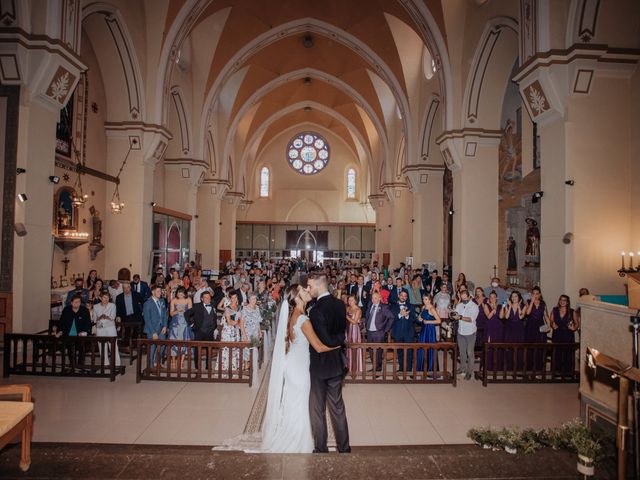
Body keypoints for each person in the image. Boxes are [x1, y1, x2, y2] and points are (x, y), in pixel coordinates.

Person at [261, 284, 342, 453]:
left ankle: (291, 434)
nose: (307, 290)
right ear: (297, 297)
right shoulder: (303, 320)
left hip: (293, 365)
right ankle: (297, 441)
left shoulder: (294, 315)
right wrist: (338, 345)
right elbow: (319, 347)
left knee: (294, 403)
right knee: (301, 405)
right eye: (303, 290)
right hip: (300, 369)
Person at [306, 273, 351, 454]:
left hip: (320, 365)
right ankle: (344, 448)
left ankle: (321, 448)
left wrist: (338, 340)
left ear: (319, 285)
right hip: (336, 364)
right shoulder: (340, 304)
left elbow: (326, 340)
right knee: (337, 407)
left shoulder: (316, 310)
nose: (309, 289)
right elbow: (341, 332)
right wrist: (341, 339)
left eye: (310, 286)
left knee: (317, 409)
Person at [57, 294, 92, 368]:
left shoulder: (84, 310)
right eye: (75, 302)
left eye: (79, 302)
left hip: (81, 334)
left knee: (82, 346)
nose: (77, 303)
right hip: (69, 333)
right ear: (71, 303)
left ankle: (80, 364)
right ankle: (73, 364)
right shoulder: (67, 310)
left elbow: (87, 323)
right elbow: (61, 322)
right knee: (70, 347)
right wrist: (60, 331)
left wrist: (85, 332)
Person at [364, 291, 394, 371]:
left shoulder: (384, 307)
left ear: (379, 298)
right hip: (370, 332)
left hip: (379, 332)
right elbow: (367, 316)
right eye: (372, 298)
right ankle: (374, 366)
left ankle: (378, 368)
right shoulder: (370, 305)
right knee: (370, 350)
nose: (373, 300)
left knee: (378, 351)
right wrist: (366, 325)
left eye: (375, 298)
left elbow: (391, 317)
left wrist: (385, 329)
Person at [453, 289, 479, 380]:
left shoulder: (474, 306)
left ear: (469, 296)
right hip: (461, 331)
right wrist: (452, 315)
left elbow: (471, 319)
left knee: (469, 352)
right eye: (462, 298)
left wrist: (460, 317)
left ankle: (469, 372)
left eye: (465, 298)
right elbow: (455, 314)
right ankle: (462, 368)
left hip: (470, 332)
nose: (464, 300)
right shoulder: (460, 305)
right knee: (462, 352)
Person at [551, 295, 579, 375]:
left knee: (568, 354)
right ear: (559, 301)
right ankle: (556, 372)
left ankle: (568, 373)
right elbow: (551, 320)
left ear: (567, 302)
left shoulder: (572, 311)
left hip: (568, 335)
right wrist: (552, 324)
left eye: (564, 300)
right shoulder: (554, 310)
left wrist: (574, 328)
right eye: (561, 300)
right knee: (557, 353)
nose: (562, 301)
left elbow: (577, 324)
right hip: (557, 334)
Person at [390, 290, 417, 373]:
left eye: (405, 296)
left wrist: (407, 316)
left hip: (408, 332)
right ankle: (401, 368)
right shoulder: (393, 306)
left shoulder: (411, 306)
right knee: (400, 352)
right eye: (402, 295)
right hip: (397, 332)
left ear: (407, 297)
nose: (403, 297)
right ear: (399, 296)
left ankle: (408, 369)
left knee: (409, 352)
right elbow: (391, 319)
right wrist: (400, 315)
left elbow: (414, 319)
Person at [91, 291, 121, 366]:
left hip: (110, 327)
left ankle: (116, 363)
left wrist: (106, 316)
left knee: (113, 346)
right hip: (100, 328)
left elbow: (113, 317)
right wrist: (100, 317)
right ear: (101, 298)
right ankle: (105, 363)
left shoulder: (112, 305)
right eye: (104, 297)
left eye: (107, 298)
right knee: (102, 346)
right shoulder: (96, 306)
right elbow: (94, 319)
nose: (106, 299)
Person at [143, 285, 169, 368]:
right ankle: (150, 367)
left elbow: (165, 314)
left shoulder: (162, 301)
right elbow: (147, 319)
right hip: (152, 329)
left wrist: (165, 326)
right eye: (158, 291)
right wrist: (153, 332)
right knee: (152, 349)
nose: (160, 293)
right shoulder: (147, 303)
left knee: (162, 346)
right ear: (152, 292)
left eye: (160, 291)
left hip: (162, 329)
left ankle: (156, 363)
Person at [220, 292, 246, 373]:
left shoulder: (240, 307)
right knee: (227, 349)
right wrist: (238, 323)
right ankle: (225, 369)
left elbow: (242, 319)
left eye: (235, 297)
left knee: (236, 349)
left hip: (236, 331)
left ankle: (235, 368)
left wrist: (241, 327)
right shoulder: (227, 308)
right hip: (228, 331)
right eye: (232, 298)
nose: (234, 299)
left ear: (237, 298)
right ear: (230, 298)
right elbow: (228, 321)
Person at [524, 286, 548, 370]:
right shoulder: (528, 301)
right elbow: (527, 313)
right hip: (530, 326)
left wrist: (549, 326)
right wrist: (532, 302)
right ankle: (529, 369)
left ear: (540, 294)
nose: (535, 295)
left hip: (540, 326)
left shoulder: (543, 303)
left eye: (537, 294)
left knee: (540, 348)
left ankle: (539, 369)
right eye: (533, 294)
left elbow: (546, 316)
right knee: (530, 348)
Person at [168, 286, 193, 368]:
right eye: (179, 292)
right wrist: (177, 311)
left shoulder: (188, 299)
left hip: (185, 323)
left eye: (182, 293)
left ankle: (181, 362)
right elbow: (171, 314)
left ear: (184, 293)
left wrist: (185, 311)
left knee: (184, 342)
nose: (180, 294)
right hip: (175, 324)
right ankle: (173, 361)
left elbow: (190, 313)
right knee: (173, 341)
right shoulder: (174, 300)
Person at [416, 295, 441, 374]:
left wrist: (428, 321)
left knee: (430, 348)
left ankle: (430, 369)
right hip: (423, 330)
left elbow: (439, 321)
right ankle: (422, 368)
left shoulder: (432, 309)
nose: (424, 300)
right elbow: (420, 318)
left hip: (430, 331)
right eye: (423, 299)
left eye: (426, 299)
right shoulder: (423, 307)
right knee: (422, 348)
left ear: (430, 300)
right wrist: (419, 319)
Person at [501, 290, 526, 370]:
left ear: (519, 297)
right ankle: (509, 368)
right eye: (512, 296)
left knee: (519, 349)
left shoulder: (524, 306)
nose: (514, 298)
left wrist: (518, 307)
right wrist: (510, 306)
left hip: (519, 329)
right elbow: (507, 317)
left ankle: (518, 368)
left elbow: (521, 317)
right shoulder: (508, 305)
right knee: (510, 348)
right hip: (509, 329)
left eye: (515, 296)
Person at [483, 291, 504, 370]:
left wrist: (503, 308)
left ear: (496, 298)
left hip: (498, 327)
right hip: (490, 326)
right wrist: (493, 309)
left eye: (494, 297)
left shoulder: (499, 306)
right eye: (491, 297)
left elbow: (501, 317)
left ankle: (497, 366)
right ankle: (488, 366)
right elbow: (488, 316)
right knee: (489, 345)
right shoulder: (486, 305)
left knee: (497, 345)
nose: (492, 298)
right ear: (489, 298)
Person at [241, 293, 263, 361]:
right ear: (249, 300)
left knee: (254, 350)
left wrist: (260, 332)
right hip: (247, 332)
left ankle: (253, 366)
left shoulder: (257, 308)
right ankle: (246, 367)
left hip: (255, 332)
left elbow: (258, 321)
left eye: (255, 299)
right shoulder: (245, 309)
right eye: (252, 299)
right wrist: (244, 335)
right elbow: (241, 323)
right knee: (247, 352)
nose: (254, 300)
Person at [345, 295, 363, 375]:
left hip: (354, 330)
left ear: (355, 301)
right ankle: (349, 366)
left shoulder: (358, 310)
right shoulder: (347, 308)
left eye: (352, 300)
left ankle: (356, 367)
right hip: (347, 329)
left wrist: (346, 316)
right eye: (349, 300)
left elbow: (354, 322)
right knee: (348, 348)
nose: (350, 302)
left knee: (354, 347)